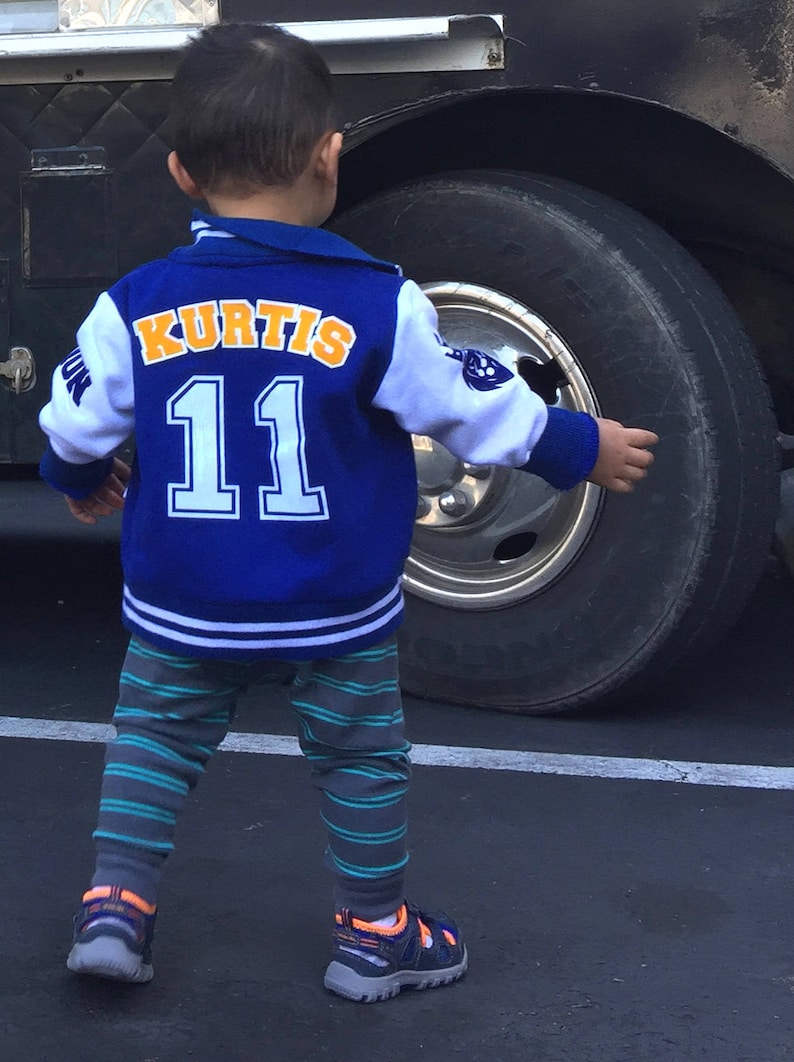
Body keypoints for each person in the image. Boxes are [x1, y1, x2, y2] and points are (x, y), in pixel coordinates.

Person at [38, 21, 658, 1004]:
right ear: (330, 156)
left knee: (154, 739)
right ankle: (374, 937)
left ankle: (115, 909)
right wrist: (580, 446)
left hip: (183, 599)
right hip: (334, 604)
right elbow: (468, 403)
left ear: (180, 174)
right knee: (360, 756)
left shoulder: (135, 303)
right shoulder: (377, 302)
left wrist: (77, 480)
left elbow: (74, 424)